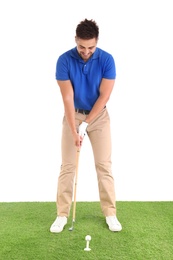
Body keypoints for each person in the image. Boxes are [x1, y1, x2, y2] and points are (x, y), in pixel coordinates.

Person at [50, 18, 122, 233]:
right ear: (75, 41)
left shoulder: (107, 60)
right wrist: (74, 129)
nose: (86, 51)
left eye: (91, 47)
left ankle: (110, 213)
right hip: (73, 115)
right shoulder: (64, 60)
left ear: (97, 42)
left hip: (99, 116)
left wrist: (87, 122)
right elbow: (67, 98)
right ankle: (62, 214)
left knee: (104, 165)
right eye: (82, 46)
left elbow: (104, 96)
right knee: (68, 166)